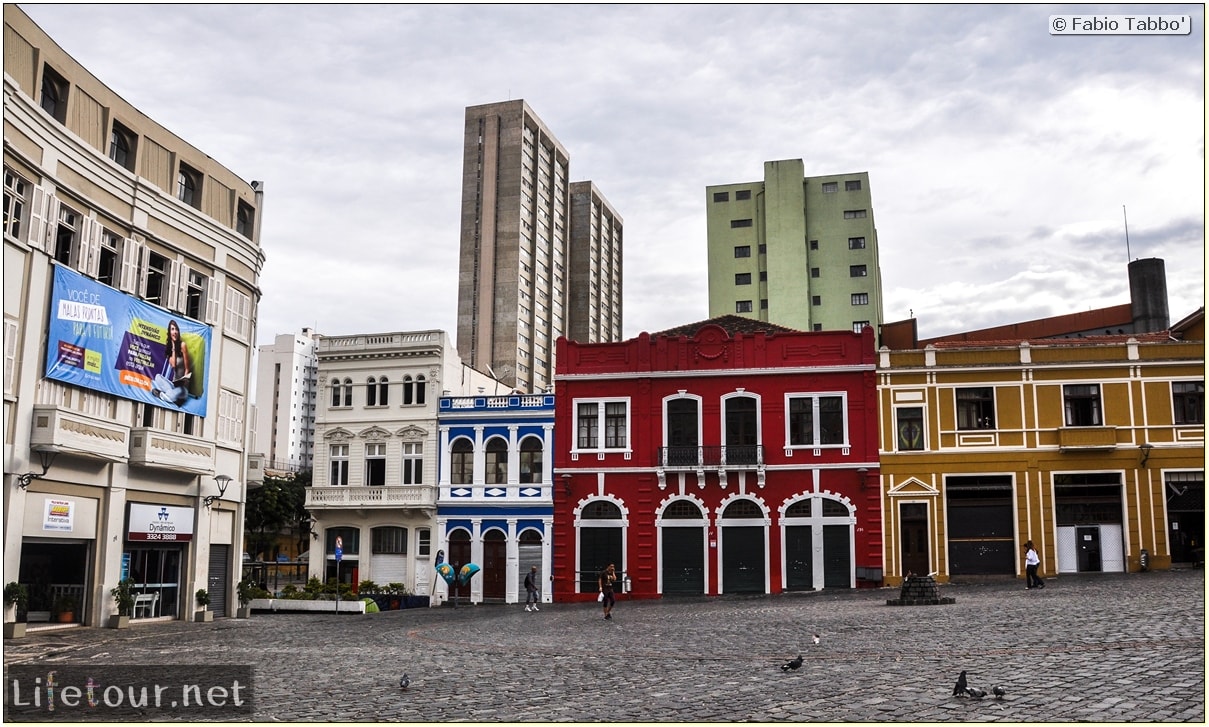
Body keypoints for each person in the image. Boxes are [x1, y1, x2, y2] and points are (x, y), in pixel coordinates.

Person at [152, 320, 192, 405]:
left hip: (182, 388)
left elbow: (187, 368)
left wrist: (184, 383)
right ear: (170, 332)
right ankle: (169, 394)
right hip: (173, 385)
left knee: (172, 394)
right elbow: (173, 365)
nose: (175, 331)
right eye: (172, 329)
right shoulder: (171, 351)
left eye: (176, 329)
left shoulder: (183, 345)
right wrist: (173, 346)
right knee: (158, 377)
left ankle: (161, 395)